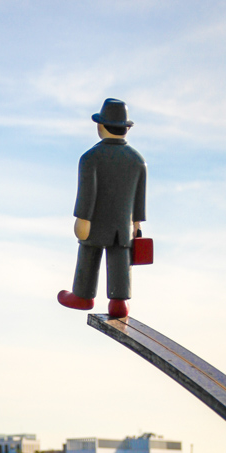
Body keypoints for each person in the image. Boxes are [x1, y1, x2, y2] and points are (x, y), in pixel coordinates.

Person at [57, 98, 146, 319]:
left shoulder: (90, 158)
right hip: (122, 228)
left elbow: (87, 193)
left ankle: (83, 295)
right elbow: (139, 198)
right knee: (120, 259)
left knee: (88, 253)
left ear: (101, 126)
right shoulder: (137, 160)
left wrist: (82, 219)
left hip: (95, 223)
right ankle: (119, 302)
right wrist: (137, 224)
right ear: (125, 129)